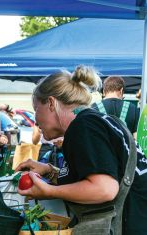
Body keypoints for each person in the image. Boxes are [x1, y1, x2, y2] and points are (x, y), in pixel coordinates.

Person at [16, 66, 147, 235]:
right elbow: (94, 176)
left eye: (36, 110)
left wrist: (49, 191)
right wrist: (49, 171)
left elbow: (105, 189)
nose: (35, 119)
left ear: (50, 103)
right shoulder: (92, 121)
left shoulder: (83, 126)